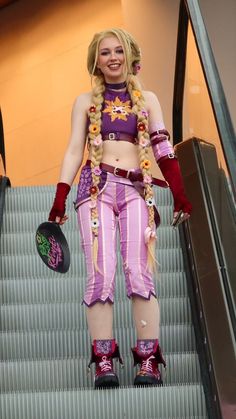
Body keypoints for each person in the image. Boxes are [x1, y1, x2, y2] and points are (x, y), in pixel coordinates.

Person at [48, 28, 192, 389]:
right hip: (94, 189)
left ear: (130, 55)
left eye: (119, 51)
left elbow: (163, 148)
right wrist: (60, 196)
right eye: (104, 52)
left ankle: (148, 360)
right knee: (101, 272)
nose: (113, 57)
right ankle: (102, 361)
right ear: (95, 61)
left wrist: (180, 193)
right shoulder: (84, 101)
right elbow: (72, 151)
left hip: (136, 189)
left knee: (139, 272)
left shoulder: (149, 99)